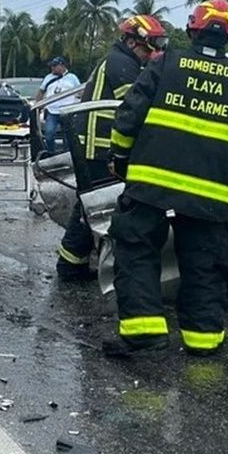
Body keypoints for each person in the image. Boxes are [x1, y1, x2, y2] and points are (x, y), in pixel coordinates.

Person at [104, 0, 228, 358]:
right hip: (210, 197)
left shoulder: (166, 65)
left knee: (136, 250)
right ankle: (203, 340)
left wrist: (119, 158)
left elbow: (129, 117)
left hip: (151, 184)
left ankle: (142, 331)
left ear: (193, 28)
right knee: (205, 264)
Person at [56, 16, 166, 279]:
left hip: (96, 145)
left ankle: (72, 262)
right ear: (131, 41)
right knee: (97, 206)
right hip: (99, 147)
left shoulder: (122, 61)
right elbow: (135, 107)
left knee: (89, 205)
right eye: (146, 48)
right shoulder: (122, 63)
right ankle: (72, 264)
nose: (149, 55)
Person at [35, 57, 81, 154]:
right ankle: (51, 152)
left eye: (55, 66)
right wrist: (38, 105)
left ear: (62, 66)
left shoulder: (72, 78)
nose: (52, 68)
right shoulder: (48, 77)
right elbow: (41, 91)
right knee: (49, 133)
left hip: (68, 111)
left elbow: (80, 91)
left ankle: (67, 154)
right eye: (52, 66)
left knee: (68, 136)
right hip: (52, 111)